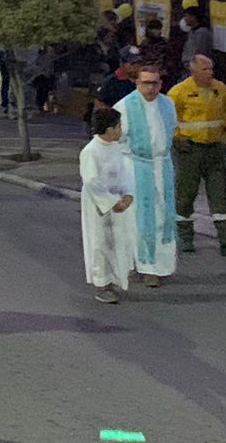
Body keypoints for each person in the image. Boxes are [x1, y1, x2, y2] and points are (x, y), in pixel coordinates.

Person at [168, 53, 226, 256]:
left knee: (219, 196)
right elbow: (167, 117)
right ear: (193, 71)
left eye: (211, 69)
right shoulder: (179, 92)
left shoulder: (219, 88)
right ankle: (184, 236)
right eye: (205, 69)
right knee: (185, 194)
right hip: (189, 149)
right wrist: (177, 137)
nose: (210, 73)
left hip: (214, 148)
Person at [114, 63, 178, 288]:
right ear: (137, 83)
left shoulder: (168, 104)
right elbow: (116, 141)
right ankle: (144, 266)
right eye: (146, 83)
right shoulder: (124, 107)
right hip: (136, 168)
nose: (151, 88)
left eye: (155, 83)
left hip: (162, 166)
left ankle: (162, 265)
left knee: (164, 217)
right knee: (139, 220)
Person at [79, 107, 137, 304]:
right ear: (109, 129)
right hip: (99, 206)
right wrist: (112, 202)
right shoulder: (90, 152)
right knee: (100, 243)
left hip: (117, 201)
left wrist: (128, 194)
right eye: (118, 126)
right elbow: (92, 182)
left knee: (118, 241)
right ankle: (101, 284)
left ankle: (114, 279)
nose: (121, 130)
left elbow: (124, 173)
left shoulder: (115, 148)